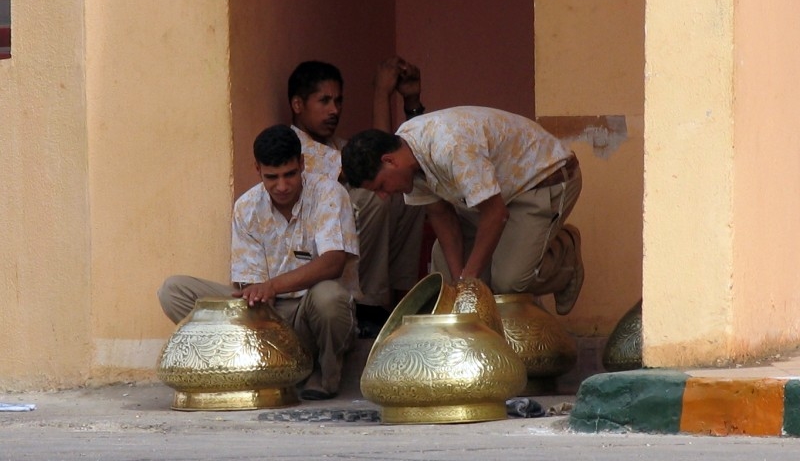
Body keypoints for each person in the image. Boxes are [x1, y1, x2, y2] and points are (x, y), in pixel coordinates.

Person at [158, 124, 359, 401]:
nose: (282, 186)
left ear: (302, 163)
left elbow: (333, 263)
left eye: (289, 174)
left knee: (329, 297)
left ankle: (324, 375)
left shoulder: (329, 193)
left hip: (309, 315)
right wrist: (259, 297)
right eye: (271, 177)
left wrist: (272, 286)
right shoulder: (247, 206)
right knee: (173, 291)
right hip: (266, 319)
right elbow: (252, 287)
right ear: (257, 170)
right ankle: (234, 367)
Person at [340, 106, 584, 315]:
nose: (383, 196)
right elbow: (441, 215)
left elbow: (496, 214)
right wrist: (460, 284)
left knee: (509, 281)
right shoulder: (407, 158)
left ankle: (565, 254)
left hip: (544, 181)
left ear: (389, 161)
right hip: (497, 194)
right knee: (444, 269)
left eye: (381, 186)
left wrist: (469, 279)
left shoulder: (449, 147)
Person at [287, 58, 426, 332]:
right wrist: (381, 93)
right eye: (324, 101)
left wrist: (412, 101)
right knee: (374, 194)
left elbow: (403, 160)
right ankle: (367, 307)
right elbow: (378, 164)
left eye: (338, 101)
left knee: (413, 194)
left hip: (352, 263)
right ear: (297, 105)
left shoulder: (339, 146)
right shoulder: (297, 148)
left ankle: (402, 304)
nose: (334, 110)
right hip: (316, 266)